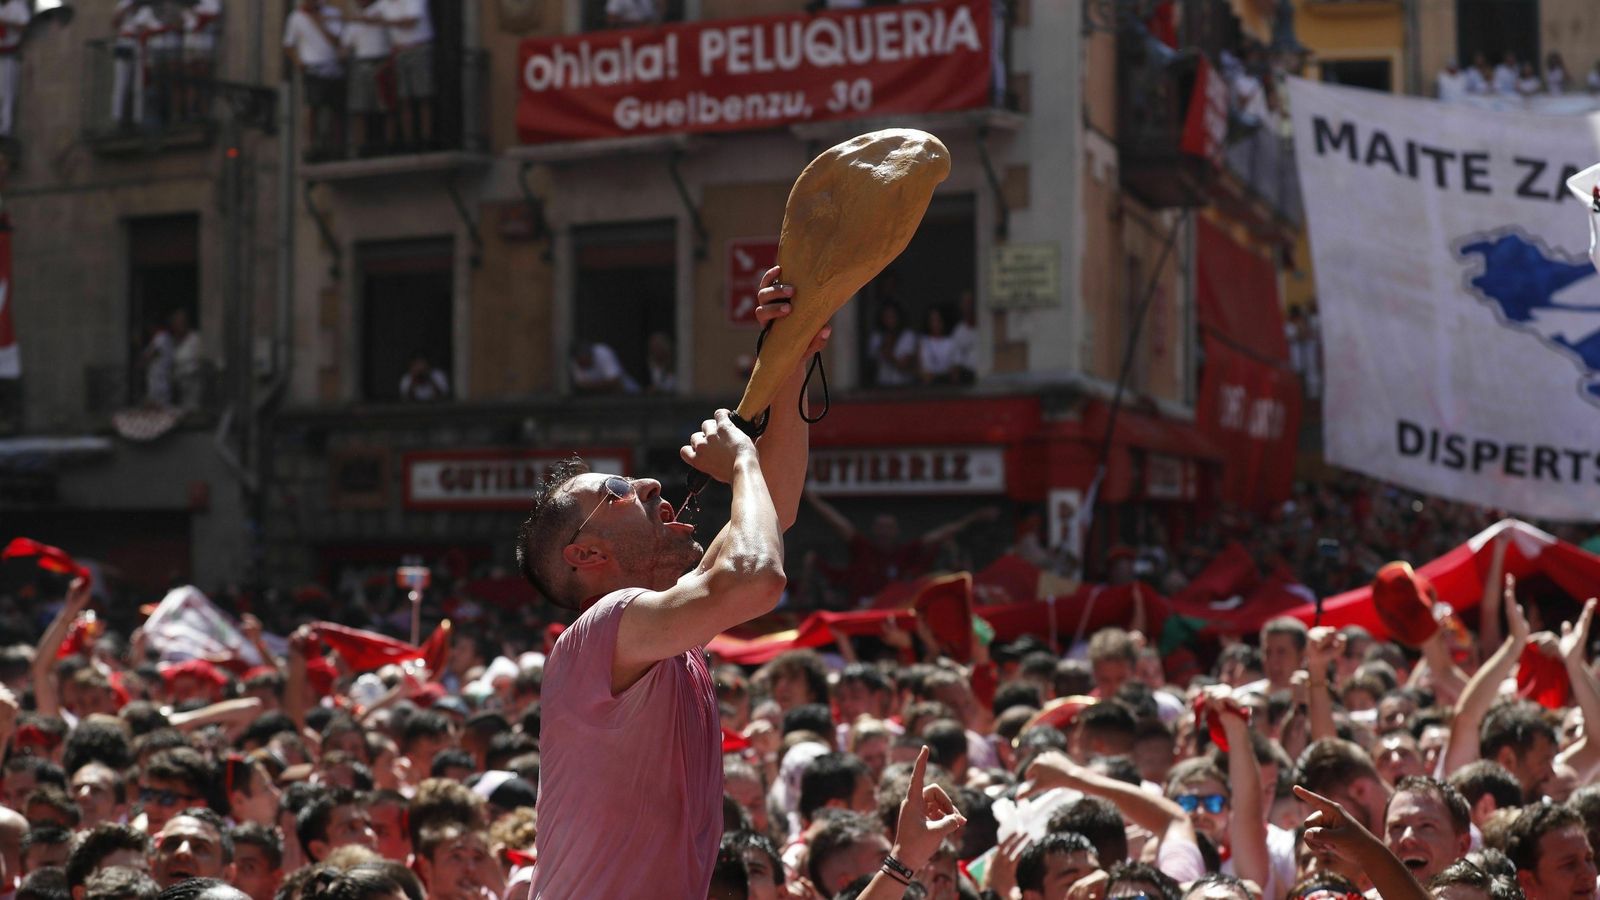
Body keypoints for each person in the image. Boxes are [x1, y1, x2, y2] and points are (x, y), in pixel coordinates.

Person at [515, 266, 828, 896]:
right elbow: (757, 577)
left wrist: (788, 356)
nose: (650, 484)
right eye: (617, 490)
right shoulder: (604, 626)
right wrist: (740, 460)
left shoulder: (659, 634)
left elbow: (775, 512)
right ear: (585, 554)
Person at [804, 488, 999, 606]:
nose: (883, 532)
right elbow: (839, 524)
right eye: (880, 527)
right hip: (861, 616)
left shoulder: (906, 553)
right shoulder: (863, 549)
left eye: (888, 528)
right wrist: (811, 498)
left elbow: (936, 536)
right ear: (873, 530)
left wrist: (972, 518)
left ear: (896, 531)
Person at [282, 0, 344, 160]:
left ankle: (335, 145)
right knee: (313, 107)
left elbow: (336, 41)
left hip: (332, 67)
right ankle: (312, 144)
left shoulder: (332, 14)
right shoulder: (296, 17)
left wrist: (319, 21)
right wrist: (298, 62)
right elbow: (288, 44)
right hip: (313, 69)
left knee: (335, 108)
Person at [381, 0, 434, 149]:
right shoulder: (385, 4)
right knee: (404, 99)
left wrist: (382, 22)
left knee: (423, 96)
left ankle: (426, 139)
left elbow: (411, 21)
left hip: (418, 50)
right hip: (400, 52)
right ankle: (408, 141)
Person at [341, 0, 391, 156]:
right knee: (359, 107)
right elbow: (345, 46)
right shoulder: (353, 21)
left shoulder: (383, 7)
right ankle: (360, 147)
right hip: (360, 64)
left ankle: (388, 144)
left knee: (385, 106)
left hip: (382, 62)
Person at [867, 300, 916, 387]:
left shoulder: (908, 336)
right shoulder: (877, 336)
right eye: (886, 316)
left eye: (892, 316)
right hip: (882, 384)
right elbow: (871, 364)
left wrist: (889, 354)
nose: (889, 320)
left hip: (904, 385)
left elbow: (905, 365)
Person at [0, 0, 28, 138]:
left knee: (7, 93)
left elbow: (24, 27)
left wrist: (7, 23)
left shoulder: (18, 6)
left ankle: (5, 128)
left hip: (10, 56)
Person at [567, 340, 639, 394]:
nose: (583, 364)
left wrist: (590, 386)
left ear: (589, 355)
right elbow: (580, 385)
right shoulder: (574, 362)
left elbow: (615, 381)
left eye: (584, 360)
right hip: (599, 400)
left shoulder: (602, 352)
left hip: (629, 393)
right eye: (580, 362)